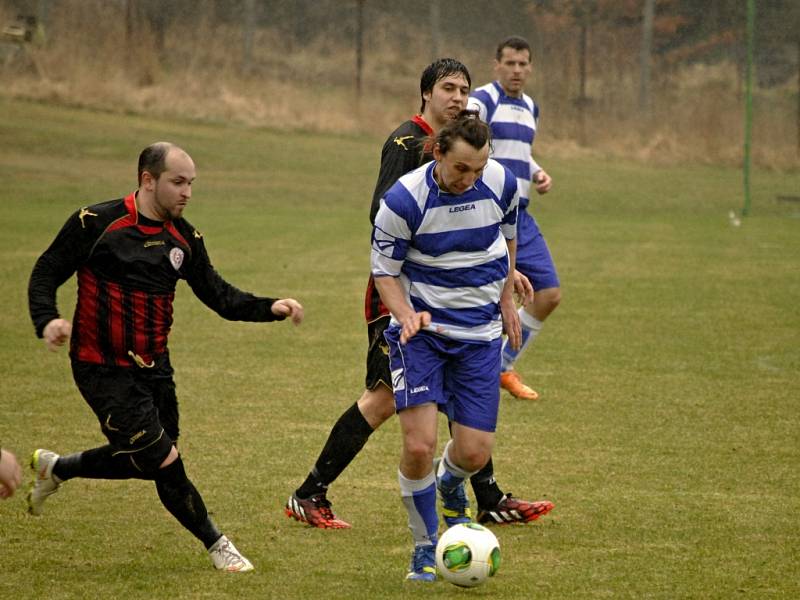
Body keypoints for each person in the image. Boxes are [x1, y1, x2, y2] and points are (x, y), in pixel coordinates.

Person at [285, 59, 553, 530]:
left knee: (447, 391)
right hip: (402, 300)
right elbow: (382, 217)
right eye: (447, 88)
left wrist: (497, 277)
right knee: (384, 398)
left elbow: (476, 226)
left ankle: (486, 494)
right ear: (425, 93)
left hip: (446, 299)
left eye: (464, 90)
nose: (457, 97)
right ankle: (309, 493)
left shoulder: (465, 152)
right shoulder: (408, 142)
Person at [27, 142, 304, 572]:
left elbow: (219, 296)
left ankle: (57, 468)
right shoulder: (96, 223)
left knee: (148, 460)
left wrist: (270, 307)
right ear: (147, 180)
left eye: (191, 183)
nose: (187, 192)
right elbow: (46, 271)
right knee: (165, 461)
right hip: (101, 367)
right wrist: (48, 320)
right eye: (178, 182)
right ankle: (219, 545)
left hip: (155, 368)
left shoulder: (185, 239)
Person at [372, 111, 522, 580]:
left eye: (478, 168)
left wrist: (506, 300)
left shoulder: (501, 182)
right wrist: (405, 316)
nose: (470, 179)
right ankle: (424, 544)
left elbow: (508, 239)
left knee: (474, 453)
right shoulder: (403, 201)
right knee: (419, 445)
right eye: (461, 168)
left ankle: (451, 482)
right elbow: (384, 273)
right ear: (438, 152)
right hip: (423, 335)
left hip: (479, 337)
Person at [468, 36, 561, 401]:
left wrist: (536, 171)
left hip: (522, 214)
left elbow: (517, 150)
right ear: (496, 65)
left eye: (523, 64)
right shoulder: (484, 99)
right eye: (510, 63)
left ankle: (502, 365)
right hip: (490, 214)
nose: (517, 70)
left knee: (549, 294)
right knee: (484, 297)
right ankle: (473, 371)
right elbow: (469, 132)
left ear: (530, 67)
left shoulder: (530, 107)